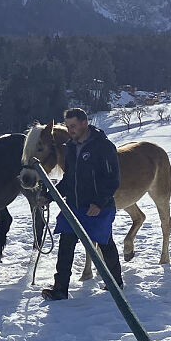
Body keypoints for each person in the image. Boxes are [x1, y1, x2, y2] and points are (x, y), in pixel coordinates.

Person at [42, 107, 123, 300]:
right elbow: (69, 179)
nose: (70, 130)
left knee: (105, 243)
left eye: (74, 126)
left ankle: (115, 282)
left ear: (84, 123)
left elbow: (113, 179)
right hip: (75, 206)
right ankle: (60, 288)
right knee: (66, 245)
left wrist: (99, 203)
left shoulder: (103, 147)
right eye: (68, 126)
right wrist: (50, 196)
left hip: (98, 208)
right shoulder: (70, 147)